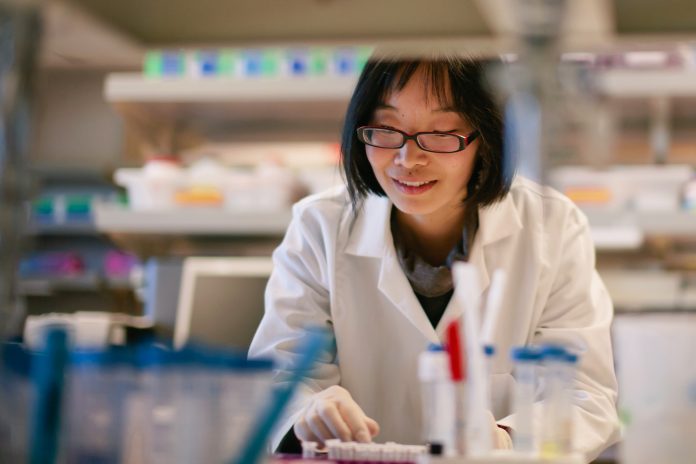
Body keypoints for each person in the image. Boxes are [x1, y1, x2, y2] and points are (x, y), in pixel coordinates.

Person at [248, 54, 619, 461]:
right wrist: (306, 409)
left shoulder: (552, 224)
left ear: (488, 136)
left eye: (441, 132)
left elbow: (586, 397)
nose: (409, 159)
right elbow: (276, 377)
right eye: (387, 129)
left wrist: (505, 439)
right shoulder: (320, 225)